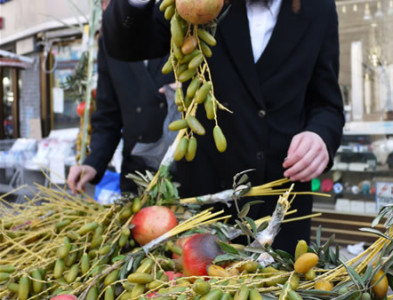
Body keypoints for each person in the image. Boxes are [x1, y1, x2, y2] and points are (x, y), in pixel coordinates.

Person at [102, 0, 345, 253]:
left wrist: (320, 136)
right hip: (207, 207)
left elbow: (327, 104)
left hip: (281, 209)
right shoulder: (198, 4)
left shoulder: (319, 8)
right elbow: (126, 44)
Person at [67, 0, 174, 194]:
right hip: (137, 177)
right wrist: (93, 162)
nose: (111, 7)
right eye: (105, 3)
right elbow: (108, 115)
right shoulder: (108, 42)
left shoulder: (174, 22)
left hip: (186, 174)